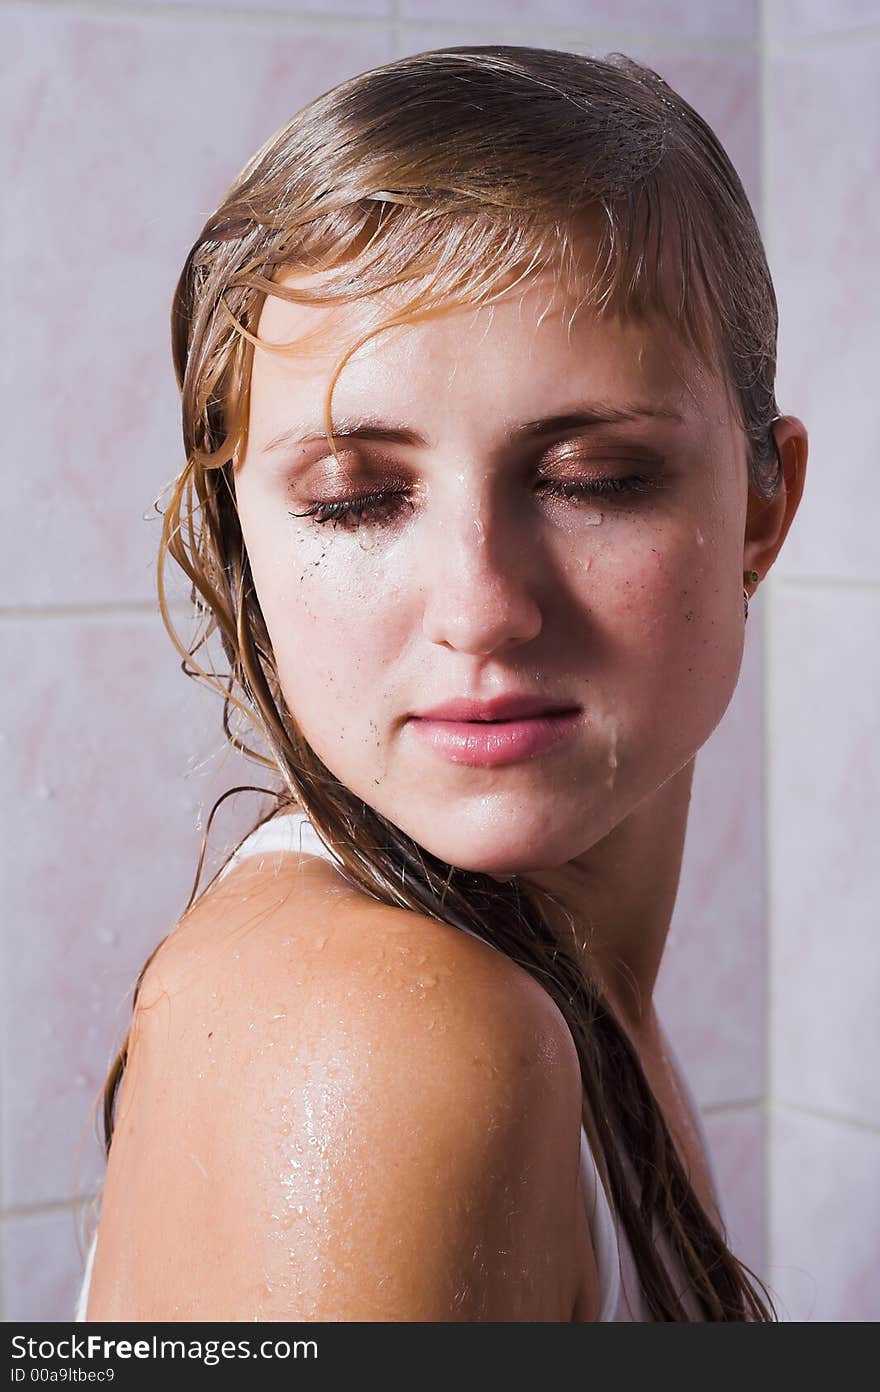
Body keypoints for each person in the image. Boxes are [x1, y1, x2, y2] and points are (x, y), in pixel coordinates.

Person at [76, 45, 807, 1321]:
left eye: (590, 478)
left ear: (762, 507)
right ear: (244, 535)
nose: (480, 607)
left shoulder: (565, 983)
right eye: (357, 500)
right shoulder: (392, 1037)